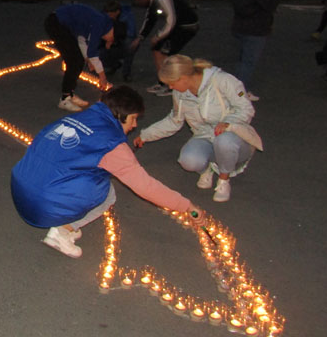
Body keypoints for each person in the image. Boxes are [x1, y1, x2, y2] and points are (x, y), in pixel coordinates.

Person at [11, 86, 206, 258]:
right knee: (107, 193)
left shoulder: (75, 118)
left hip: (21, 189)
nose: (135, 125)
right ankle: (62, 231)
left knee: (86, 174)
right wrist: (187, 206)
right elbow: (146, 187)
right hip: (43, 206)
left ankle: (66, 219)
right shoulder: (112, 145)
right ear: (121, 116)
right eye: (134, 119)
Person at [133, 55, 259, 203]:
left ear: (184, 77)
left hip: (234, 137)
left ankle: (224, 180)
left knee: (224, 140)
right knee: (188, 160)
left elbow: (246, 109)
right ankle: (208, 168)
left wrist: (228, 123)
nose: (170, 88)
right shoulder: (180, 93)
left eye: (172, 83)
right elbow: (174, 121)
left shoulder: (224, 81)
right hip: (205, 136)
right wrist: (146, 135)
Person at [130, 0, 199, 96]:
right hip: (177, 26)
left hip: (187, 26)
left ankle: (171, 84)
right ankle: (162, 82)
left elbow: (171, 20)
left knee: (166, 53)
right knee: (156, 49)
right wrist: (140, 37)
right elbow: (150, 19)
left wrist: (158, 36)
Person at [44, 3, 115, 112]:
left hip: (59, 24)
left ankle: (70, 93)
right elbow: (92, 51)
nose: (107, 42)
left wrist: (87, 59)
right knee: (73, 62)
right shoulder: (100, 23)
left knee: (78, 61)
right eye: (109, 41)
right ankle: (65, 99)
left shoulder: (101, 22)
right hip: (56, 23)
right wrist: (102, 77)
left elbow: (82, 40)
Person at [230, 0, 280, 102]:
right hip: (256, 29)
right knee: (249, 62)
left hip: (240, 27)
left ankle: (235, 91)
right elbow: (270, 6)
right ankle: (240, 94)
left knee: (242, 61)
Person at [99, 0, 138, 82]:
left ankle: (126, 73)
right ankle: (114, 64)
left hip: (122, 39)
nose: (109, 16)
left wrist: (114, 39)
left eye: (111, 14)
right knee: (99, 53)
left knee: (130, 46)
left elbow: (131, 33)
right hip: (109, 39)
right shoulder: (103, 16)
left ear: (117, 12)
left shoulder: (127, 16)